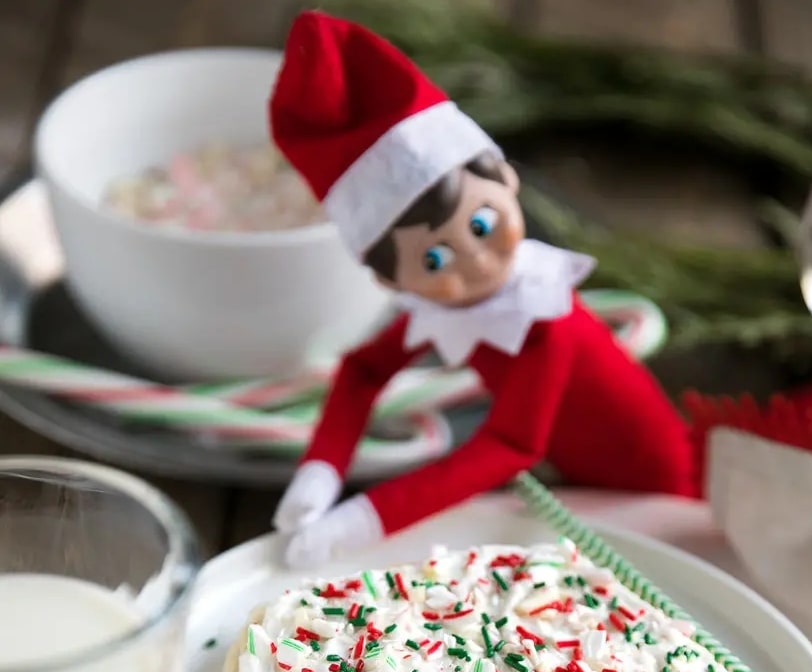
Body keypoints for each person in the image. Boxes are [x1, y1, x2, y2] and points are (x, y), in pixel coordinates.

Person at [270, 12, 694, 567]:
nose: (474, 261)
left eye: (481, 225)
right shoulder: (449, 309)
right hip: (566, 481)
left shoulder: (544, 316)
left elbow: (511, 446)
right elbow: (363, 370)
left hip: (654, 494)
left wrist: (364, 517)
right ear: (388, 280)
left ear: (507, 180)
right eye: (435, 257)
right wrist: (319, 473)